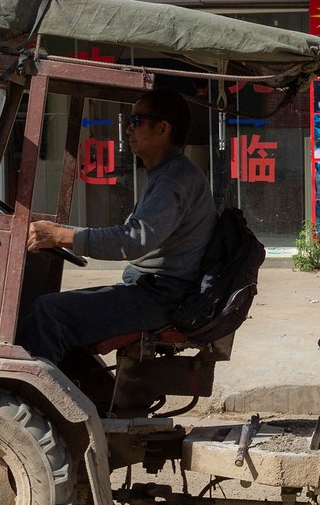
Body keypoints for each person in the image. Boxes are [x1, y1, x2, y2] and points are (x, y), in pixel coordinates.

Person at [16, 88, 216, 365]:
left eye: (136, 121)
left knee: (48, 312)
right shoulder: (166, 174)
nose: (128, 129)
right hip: (154, 290)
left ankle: (31, 390)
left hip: (164, 298)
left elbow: (132, 241)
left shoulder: (174, 180)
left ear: (162, 128)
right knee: (59, 308)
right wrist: (59, 233)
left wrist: (61, 235)